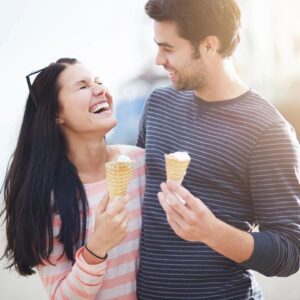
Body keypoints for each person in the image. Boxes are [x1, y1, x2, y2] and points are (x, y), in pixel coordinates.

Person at [137, 1, 300, 299]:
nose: (158, 59)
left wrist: (211, 231)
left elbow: (290, 250)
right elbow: (137, 194)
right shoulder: (158, 105)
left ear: (209, 45)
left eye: (169, 48)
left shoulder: (268, 131)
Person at [1, 58, 145, 299]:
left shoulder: (141, 163)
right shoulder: (45, 198)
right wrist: (97, 247)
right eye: (83, 86)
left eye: (98, 81)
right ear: (57, 113)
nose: (100, 89)